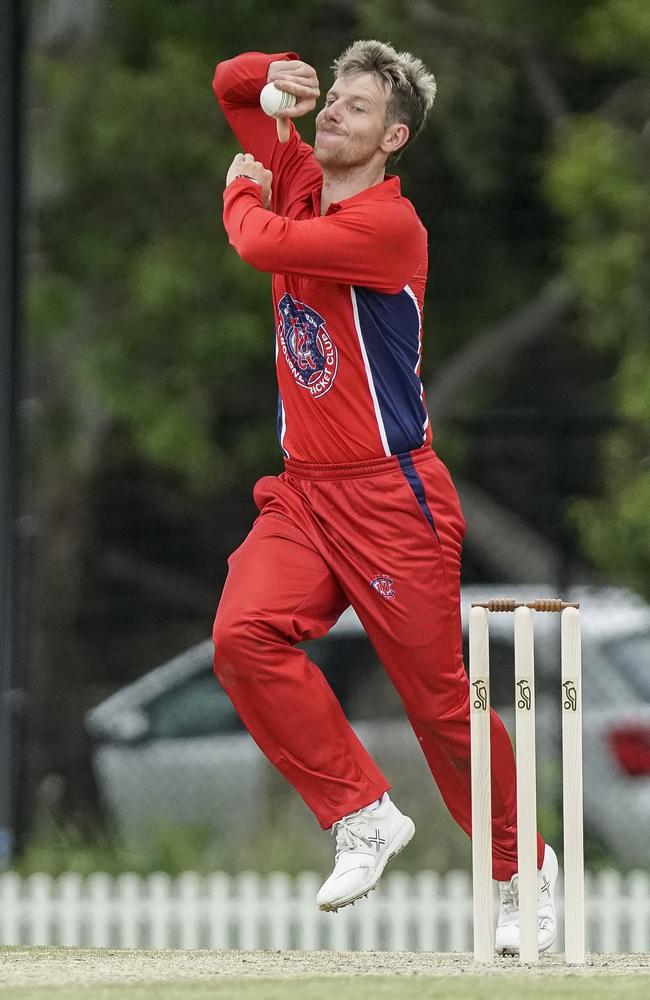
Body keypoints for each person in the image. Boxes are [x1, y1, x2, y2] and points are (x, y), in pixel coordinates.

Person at [211, 40, 557, 953]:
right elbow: (231, 86)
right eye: (332, 102)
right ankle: (361, 813)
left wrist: (239, 191)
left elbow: (261, 244)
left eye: (354, 110)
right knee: (242, 635)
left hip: (390, 497)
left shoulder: (388, 227)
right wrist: (279, 72)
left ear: (392, 137)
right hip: (302, 495)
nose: (331, 117)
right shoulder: (296, 169)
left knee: (441, 707)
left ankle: (525, 872)